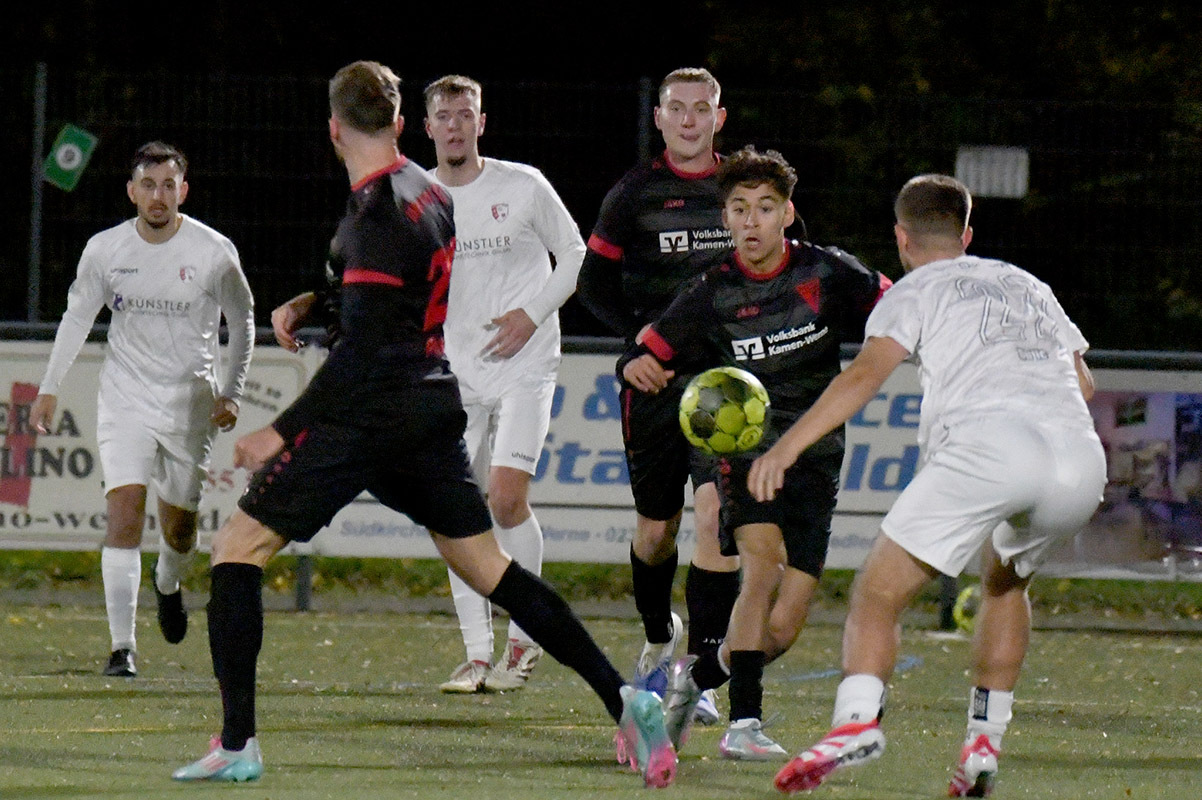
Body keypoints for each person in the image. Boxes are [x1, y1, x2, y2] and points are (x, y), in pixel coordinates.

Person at [173, 60, 675, 789]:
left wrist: (279, 430)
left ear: (334, 128)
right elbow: (386, 294)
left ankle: (238, 744)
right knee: (489, 568)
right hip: (432, 402)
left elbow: (366, 348)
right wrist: (315, 300)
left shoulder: (374, 214)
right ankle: (625, 700)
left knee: (236, 547)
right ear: (404, 125)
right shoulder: (428, 192)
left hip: (373, 410)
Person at [756, 175, 1106, 796]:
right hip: (1079, 460)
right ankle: (982, 747)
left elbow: (864, 376)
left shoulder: (913, 290)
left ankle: (856, 723)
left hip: (993, 447)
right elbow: (1083, 385)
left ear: (901, 237)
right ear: (967, 235)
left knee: (878, 593)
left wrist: (787, 446)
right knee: (1005, 582)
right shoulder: (1028, 284)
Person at [621, 147, 891, 760]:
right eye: (739, 209)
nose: (751, 221)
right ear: (726, 219)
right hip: (746, 450)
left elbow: (898, 307)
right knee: (760, 567)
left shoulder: (827, 273)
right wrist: (632, 363)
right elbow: (652, 347)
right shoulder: (712, 290)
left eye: (764, 208)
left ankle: (695, 682)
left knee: (783, 628)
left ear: (787, 214)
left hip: (817, 454)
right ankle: (744, 726)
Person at [29, 141, 254, 678]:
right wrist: (49, 385)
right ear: (131, 191)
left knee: (179, 531)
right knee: (124, 515)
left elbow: (241, 322)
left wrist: (230, 391)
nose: (158, 196)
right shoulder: (105, 251)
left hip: (188, 403)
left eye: (168, 185)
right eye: (148, 185)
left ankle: (168, 583)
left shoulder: (213, 252)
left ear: (183, 191)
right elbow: (77, 316)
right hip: (124, 397)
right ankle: (122, 648)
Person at [577, 67, 739, 721]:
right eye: (679, 108)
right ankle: (656, 639)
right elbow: (592, 285)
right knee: (655, 532)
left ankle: (693, 676)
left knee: (713, 523)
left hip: (724, 386)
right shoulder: (635, 193)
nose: (691, 119)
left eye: (703, 109)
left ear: (719, 118)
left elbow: (786, 269)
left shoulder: (744, 189)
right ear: (661, 119)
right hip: (653, 383)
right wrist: (634, 347)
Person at [422, 74, 586, 693]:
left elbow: (574, 254)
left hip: (525, 365)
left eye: (466, 114)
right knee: (453, 509)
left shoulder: (522, 185)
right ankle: (475, 655)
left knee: (506, 498)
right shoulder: (418, 197)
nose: (456, 125)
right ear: (428, 126)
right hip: (454, 374)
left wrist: (530, 314)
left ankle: (524, 637)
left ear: (481, 123)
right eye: (445, 115)